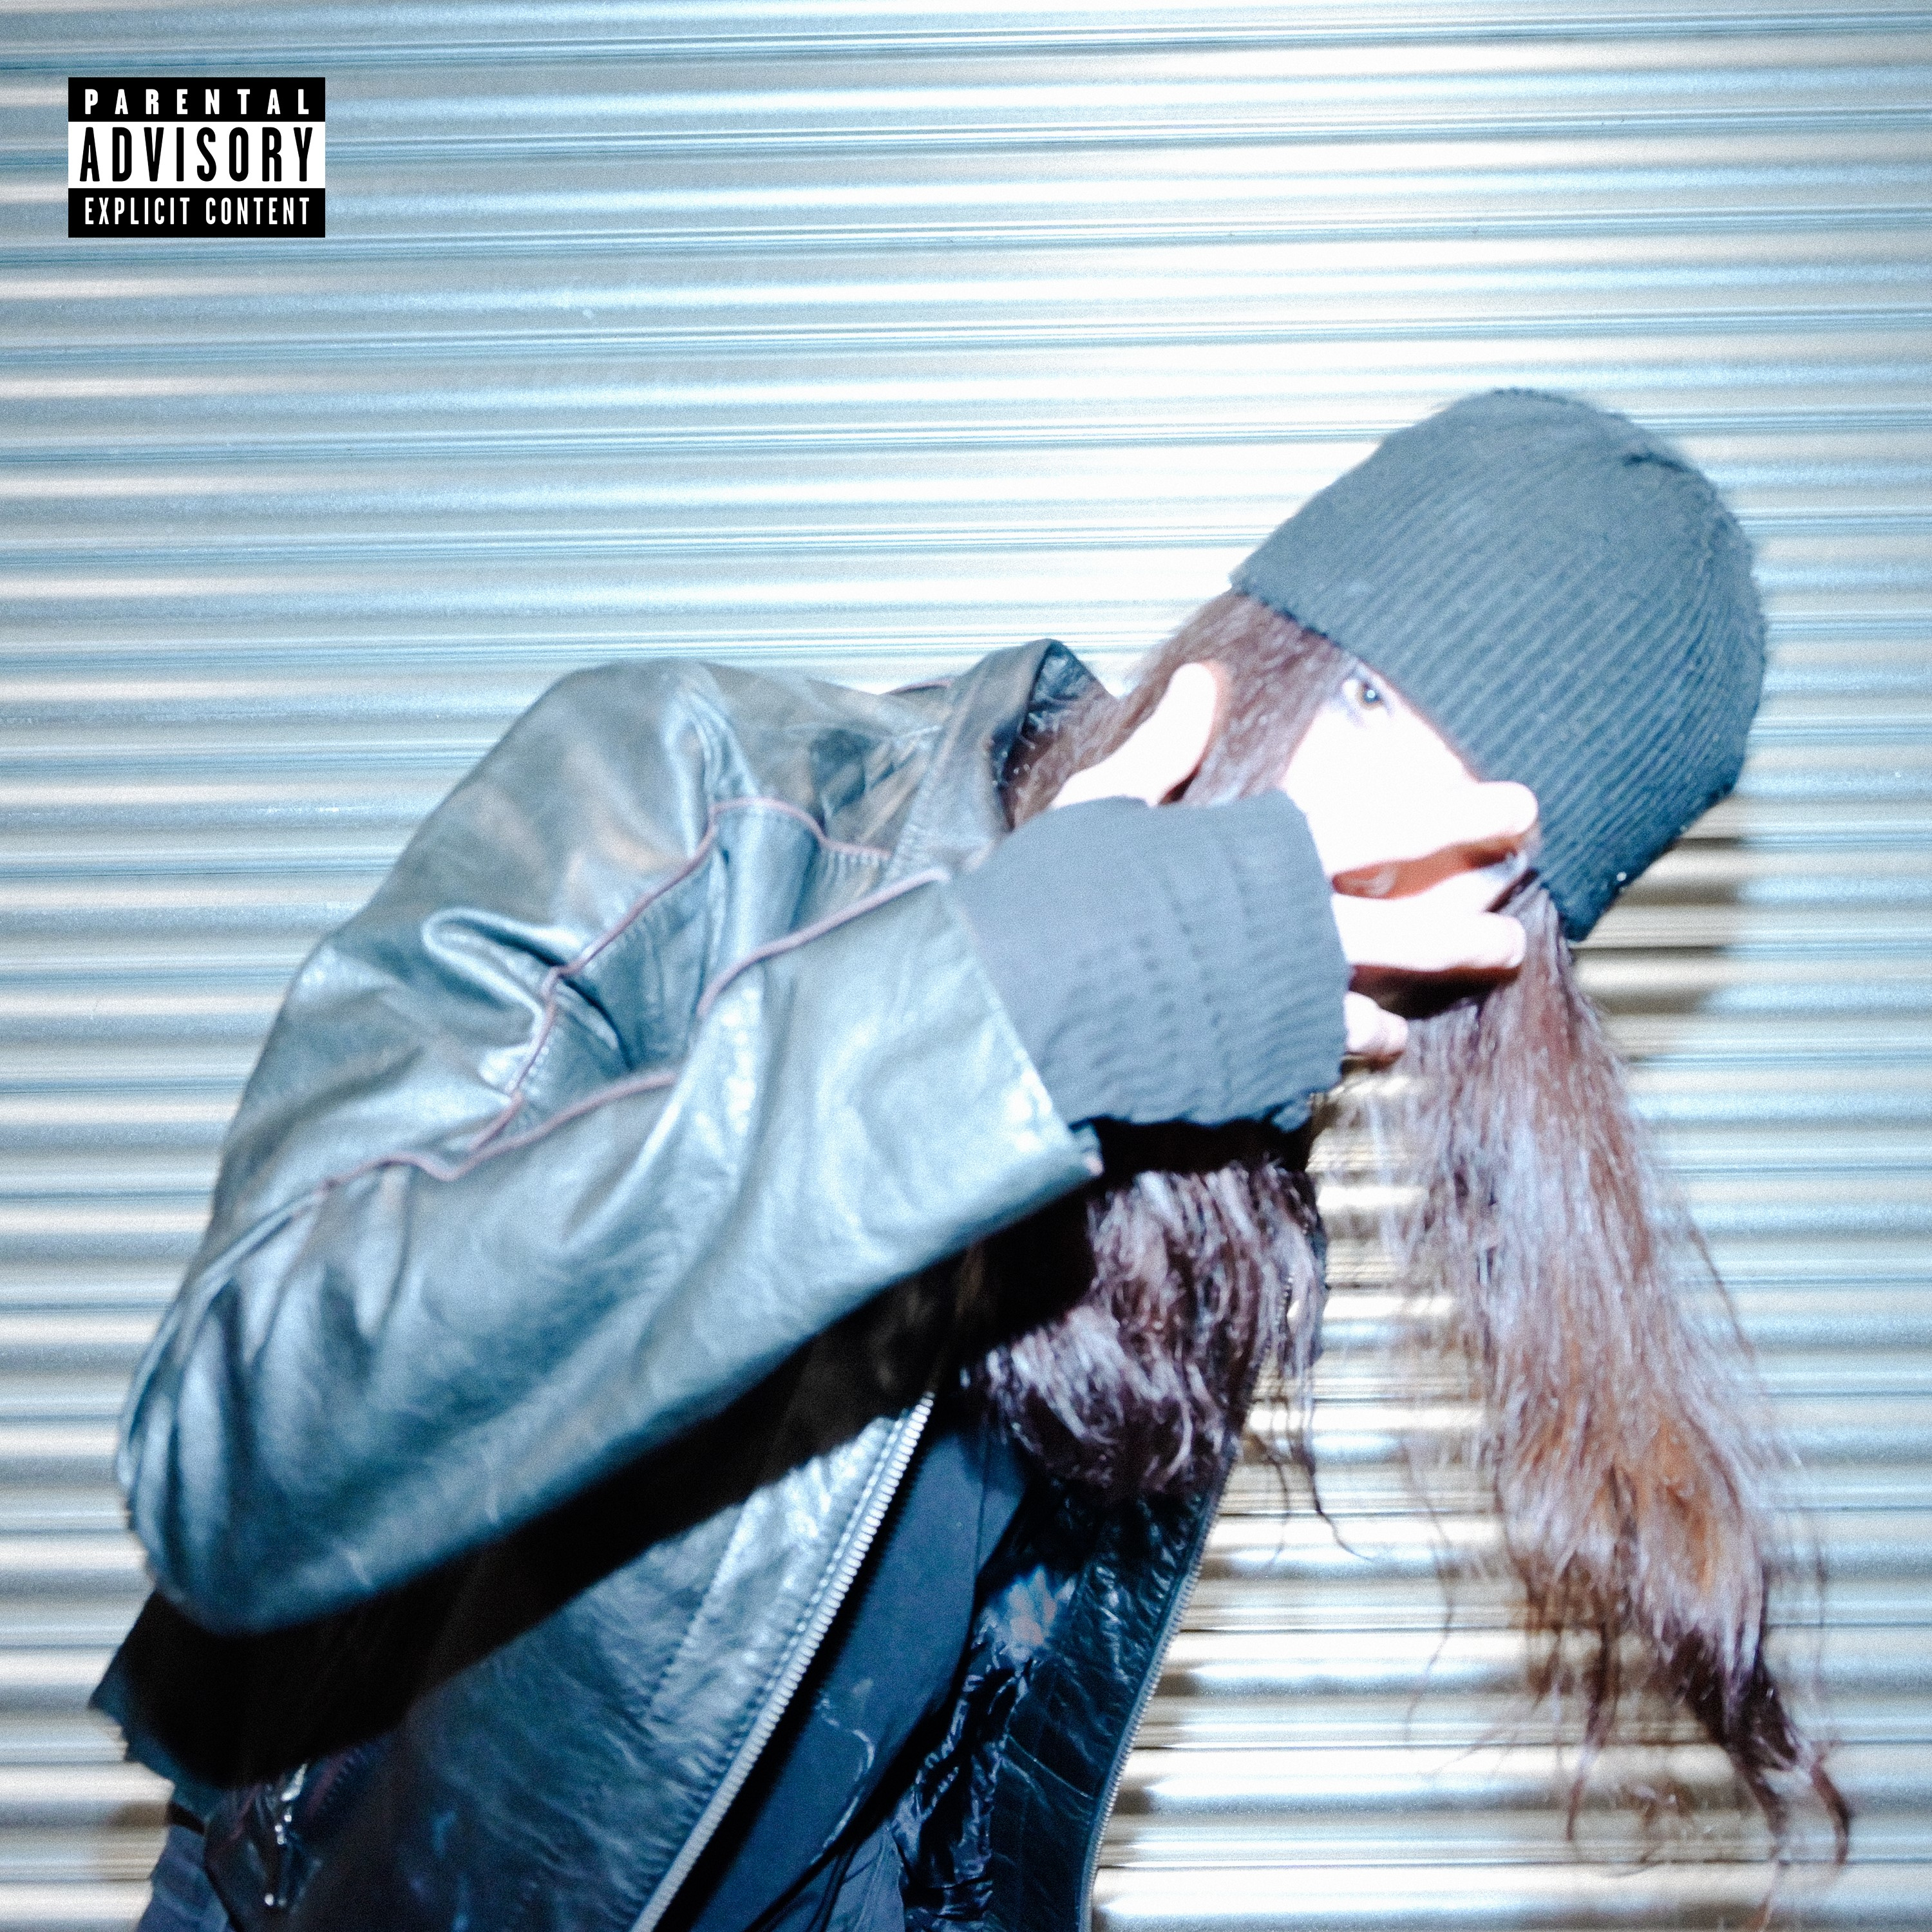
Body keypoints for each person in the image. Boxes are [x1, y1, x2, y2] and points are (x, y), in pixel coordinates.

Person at [99, 390, 1846, 1932]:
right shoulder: (697, 800)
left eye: (1490, 875)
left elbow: (942, 1784)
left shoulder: (1229, 1151)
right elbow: (239, 1461)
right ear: (1273, 647)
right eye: (1382, 721)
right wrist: (1011, 1007)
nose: (1388, 874)